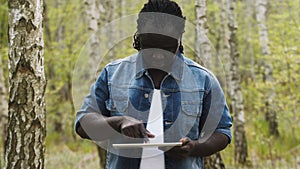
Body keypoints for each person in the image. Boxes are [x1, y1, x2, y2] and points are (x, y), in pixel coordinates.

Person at [74, 0, 232, 169]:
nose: (157, 56)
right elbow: (83, 124)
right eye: (149, 46)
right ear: (138, 36)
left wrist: (194, 147)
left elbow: (221, 132)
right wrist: (118, 122)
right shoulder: (113, 74)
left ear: (180, 38)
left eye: (167, 48)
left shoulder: (203, 79)